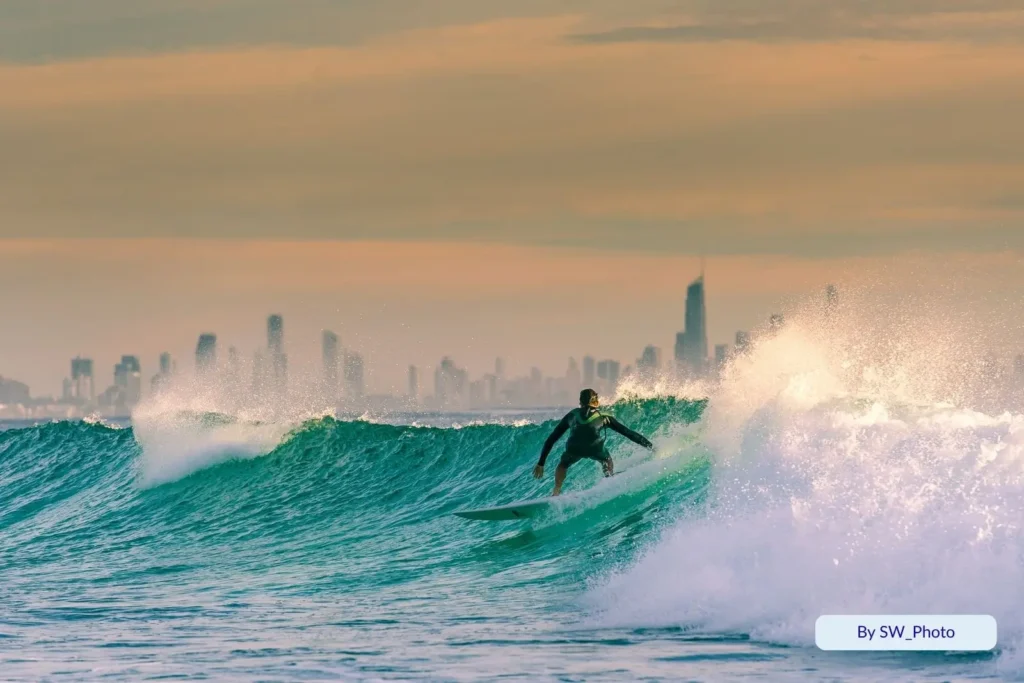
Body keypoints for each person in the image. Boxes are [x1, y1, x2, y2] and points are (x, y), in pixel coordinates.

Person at [533, 388, 654, 496]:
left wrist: (541, 463)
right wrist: (650, 446)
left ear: (580, 402)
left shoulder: (572, 415)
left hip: (574, 449)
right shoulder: (604, 416)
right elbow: (629, 433)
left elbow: (552, 438)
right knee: (606, 460)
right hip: (595, 449)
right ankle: (609, 480)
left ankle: (556, 490)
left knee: (563, 464)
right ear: (596, 402)